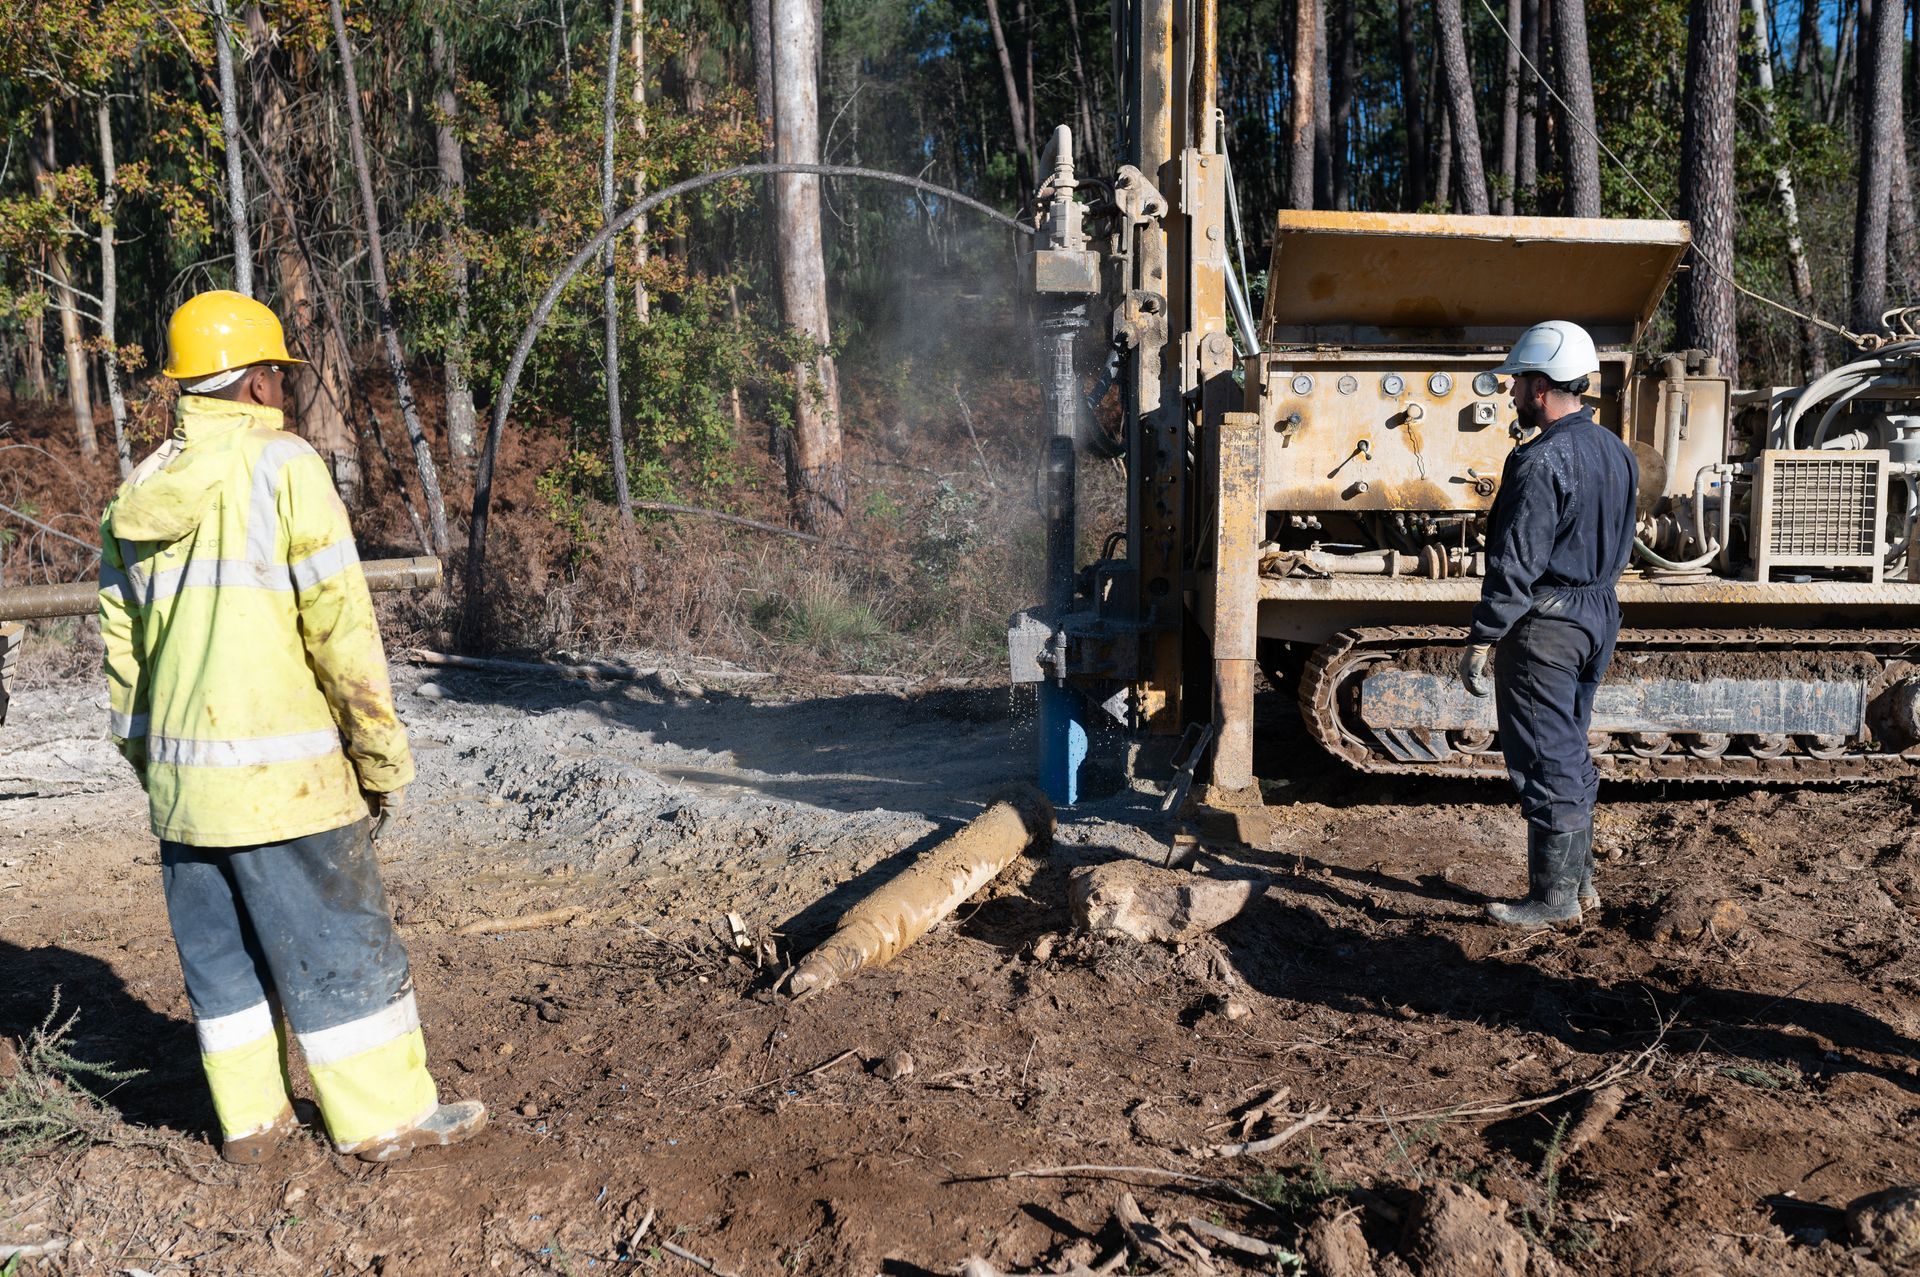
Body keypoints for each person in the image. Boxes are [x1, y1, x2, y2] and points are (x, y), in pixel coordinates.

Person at [97, 289, 486, 1164]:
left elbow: (124, 667)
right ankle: (385, 1120)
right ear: (257, 382)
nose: (281, 389)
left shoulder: (136, 493)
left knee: (223, 968)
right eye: (277, 372)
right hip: (288, 788)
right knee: (341, 943)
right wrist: (379, 755)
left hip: (184, 792)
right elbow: (341, 630)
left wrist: (155, 768)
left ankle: (252, 1129)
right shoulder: (284, 467)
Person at [1458, 320, 1637, 927]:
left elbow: (1517, 560)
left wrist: (1484, 635)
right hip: (1598, 613)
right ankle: (1580, 884)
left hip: (1547, 624)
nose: (1510, 394)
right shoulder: (1615, 450)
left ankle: (1553, 900)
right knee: (1570, 745)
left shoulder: (1539, 461)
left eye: (1517, 383)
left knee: (1545, 755)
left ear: (1540, 388)